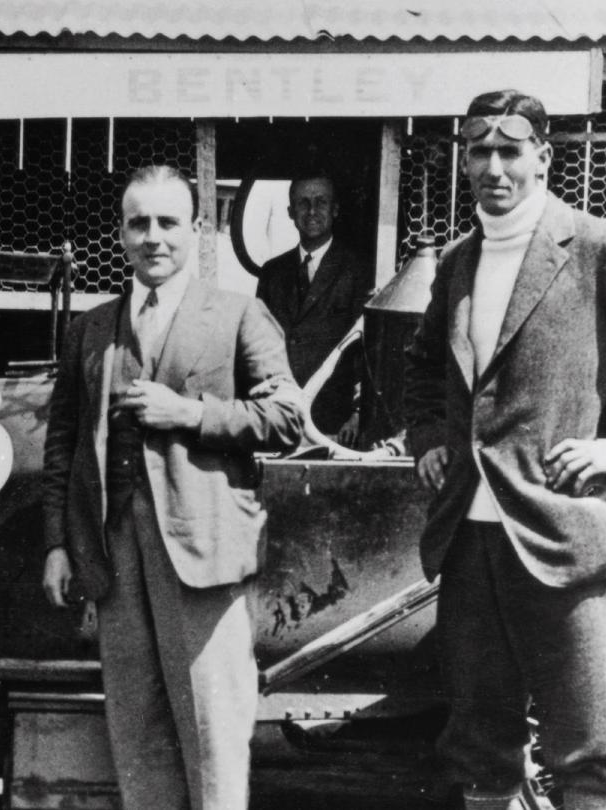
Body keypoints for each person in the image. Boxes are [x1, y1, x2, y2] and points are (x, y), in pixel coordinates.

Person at [403, 89, 606, 810]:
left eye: (510, 149)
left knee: (587, 754)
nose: (493, 167)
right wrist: (428, 438)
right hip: (468, 542)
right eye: (478, 150)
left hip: (561, 537)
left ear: (543, 158)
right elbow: (422, 366)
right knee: (480, 753)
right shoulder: (458, 260)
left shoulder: (599, 246)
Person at [41, 164, 305, 809]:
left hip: (202, 554)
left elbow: (287, 419)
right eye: (139, 224)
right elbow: (62, 442)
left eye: (168, 223)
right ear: (122, 234)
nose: (153, 237)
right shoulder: (93, 328)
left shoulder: (239, 313)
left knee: (213, 735)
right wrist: (57, 543)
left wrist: (193, 415)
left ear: (198, 229)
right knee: (139, 734)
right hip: (113, 553)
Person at [256, 171, 371, 441]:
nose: (311, 211)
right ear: (290, 211)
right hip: (281, 415)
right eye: (303, 203)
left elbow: (365, 350)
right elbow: (259, 346)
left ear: (335, 210)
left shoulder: (357, 270)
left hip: (335, 422)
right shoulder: (272, 273)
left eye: (321, 202)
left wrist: (357, 412)